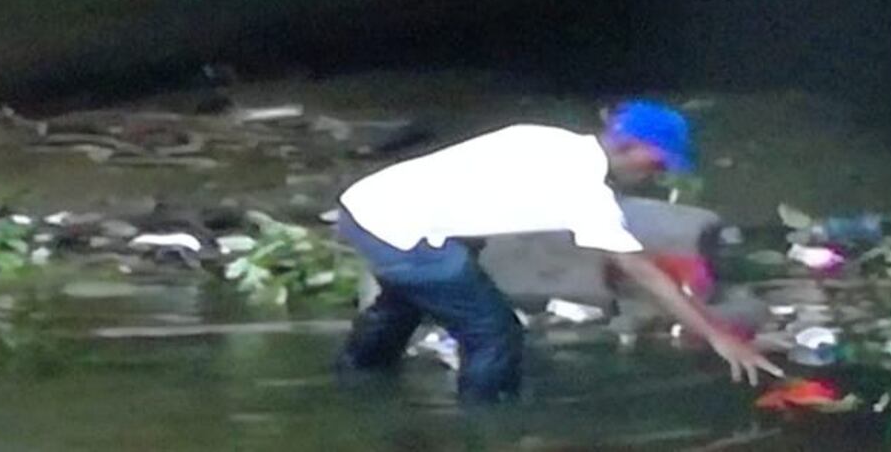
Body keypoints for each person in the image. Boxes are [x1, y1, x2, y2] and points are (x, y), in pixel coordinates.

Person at [333, 100, 783, 403]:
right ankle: (486, 427)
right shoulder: (583, 191)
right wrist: (716, 335)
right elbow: (638, 269)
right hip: (398, 229)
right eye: (659, 162)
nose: (659, 175)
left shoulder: (549, 139)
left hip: (367, 205)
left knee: (409, 300)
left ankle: (355, 378)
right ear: (631, 146)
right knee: (495, 335)